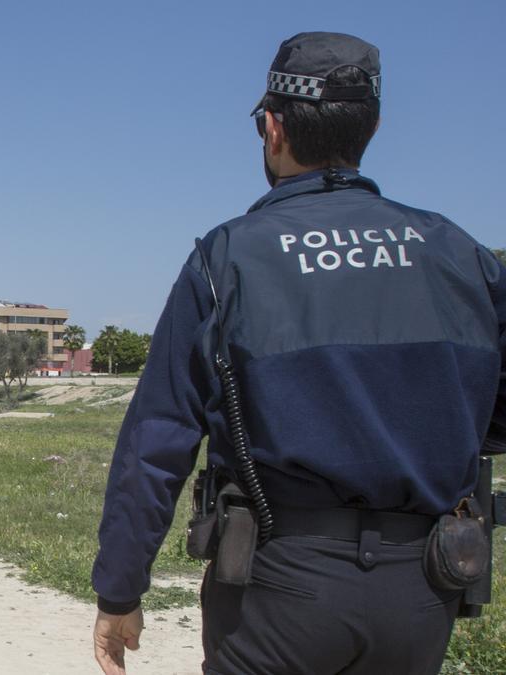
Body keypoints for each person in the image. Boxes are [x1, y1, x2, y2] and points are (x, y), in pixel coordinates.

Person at [91, 33, 506, 674]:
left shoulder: (226, 258)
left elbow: (158, 438)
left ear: (273, 128)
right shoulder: (462, 255)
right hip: (425, 586)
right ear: (370, 126)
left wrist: (120, 589)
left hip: (275, 584)